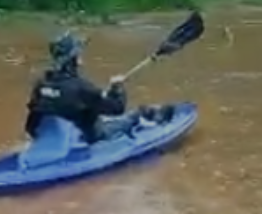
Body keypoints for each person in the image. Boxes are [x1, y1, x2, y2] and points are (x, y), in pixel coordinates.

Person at [24, 31, 166, 143]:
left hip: (56, 138)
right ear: (74, 59)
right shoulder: (82, 88)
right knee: (134, 116)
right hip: (86, 137)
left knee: (95, 116)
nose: (81, 57)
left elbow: (31, 127)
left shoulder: (40, 84)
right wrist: (117, 89)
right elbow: (117, 108)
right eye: (78, 53)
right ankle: (145, 117)